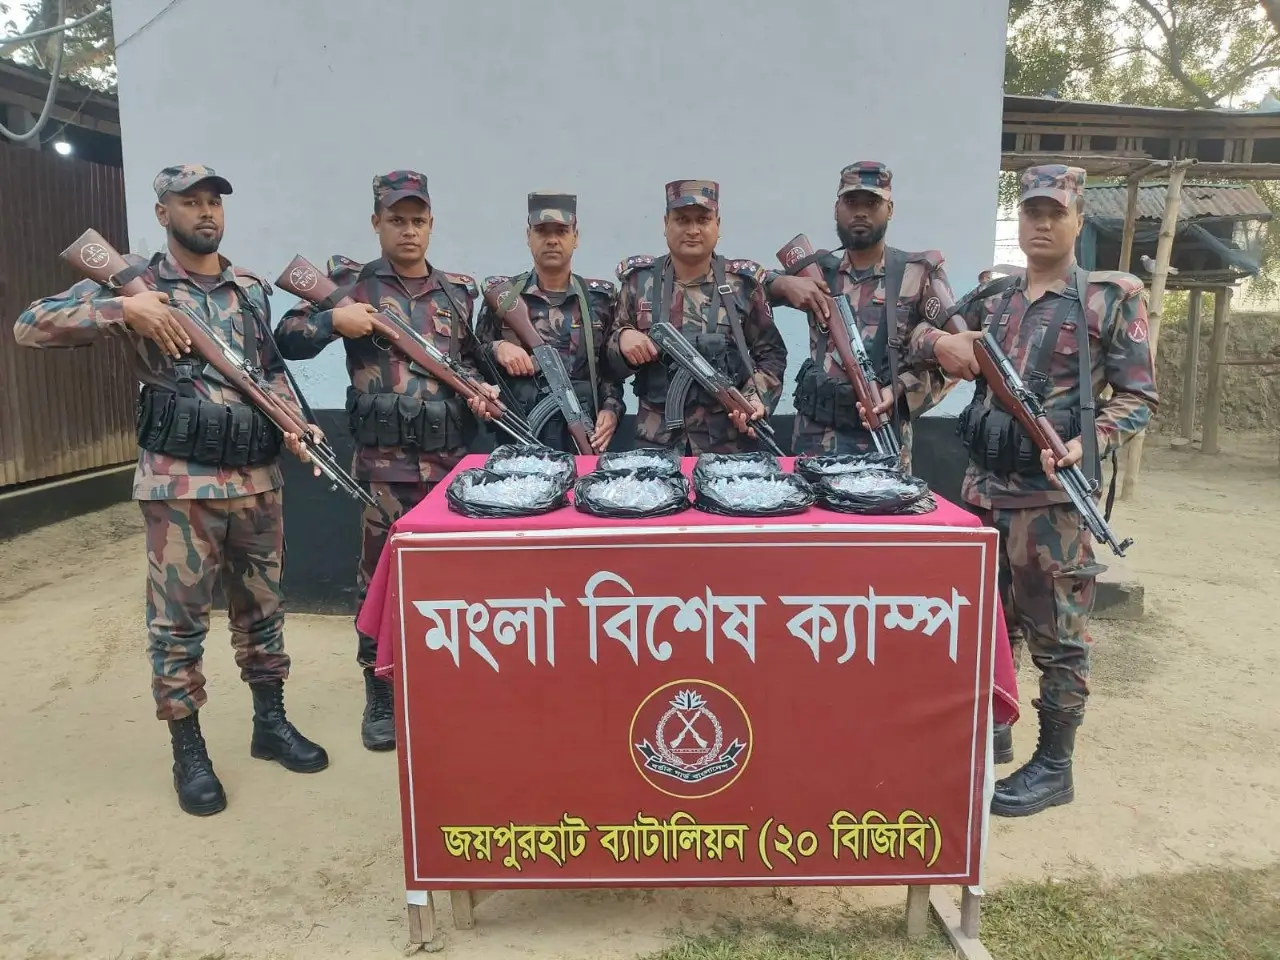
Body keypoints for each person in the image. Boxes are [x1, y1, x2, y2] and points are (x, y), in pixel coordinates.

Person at [12, 164, 330, 817]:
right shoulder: (139, 281)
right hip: (179, 485)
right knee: (178, 626)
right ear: (163, 213)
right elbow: (30, 325)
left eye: (214, 201)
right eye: (191, 202)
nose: (206, 212)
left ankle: (270, 724)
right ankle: (190, 752)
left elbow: (266, 371)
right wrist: (120, 308)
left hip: (256, 479)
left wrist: (296, 423)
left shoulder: (248, 289)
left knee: (263, 613)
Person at [927, 163, 1158, 816]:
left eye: (1056, 212)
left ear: (1078, 220)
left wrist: (1092, 441)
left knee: (1058, 638)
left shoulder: (1111, 297)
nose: (1043, 223)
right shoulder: (993, 298)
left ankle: (1055, 766)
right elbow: (923, 335)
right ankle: (992, 736)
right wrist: (945, 341)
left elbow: (1139, 397)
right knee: (986, 627)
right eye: (1033, 211)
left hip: (1051, 505)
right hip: (982, 493)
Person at [273, 169, 497, 752]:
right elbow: (286, 338)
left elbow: (471, 360)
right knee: (379, 581)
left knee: (451, 581)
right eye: (396, 219)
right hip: (384, 467)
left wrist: (480, 388)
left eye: (418, 220)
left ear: (432, 225)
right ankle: (380, 692)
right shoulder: (350, 285)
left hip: (450, 467)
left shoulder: (456, 293)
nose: (408, 230)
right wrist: (332, 321)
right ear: (376, 222)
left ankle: (446, 684)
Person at [763, 161, 956, 472]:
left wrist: (900, 390)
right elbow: (747, 291)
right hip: (814, 441)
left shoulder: (917, 274)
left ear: (890, 209)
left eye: (872, 203)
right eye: (852, 202)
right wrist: (782, 283)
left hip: (882, 440)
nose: (861, 212)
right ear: (836, 208)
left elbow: (953, 361)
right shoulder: (818, 271)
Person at [606, 180, 787, 454]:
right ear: (666, 223)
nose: (693, 230)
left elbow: (771, 355)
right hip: (655, 444)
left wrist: (755, 397)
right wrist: (622, 340)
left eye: (703, 220)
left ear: (718, 225)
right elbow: (607, 362)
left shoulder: (742, 286)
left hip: (726, 445)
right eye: (682, 220)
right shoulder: (638, 284)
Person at [473, 191, 623, 453]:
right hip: (517, 440)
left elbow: (610, 371)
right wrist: (498, 348)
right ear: (528, 236)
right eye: (542, 231)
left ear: (575, 237)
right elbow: (472, 357)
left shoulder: (599, 300)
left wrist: (611, 410)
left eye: (562, 231)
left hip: (582, 438)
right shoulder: (504, 298)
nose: (552, 240)